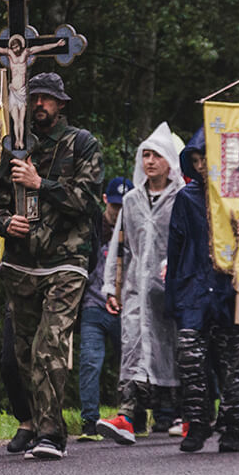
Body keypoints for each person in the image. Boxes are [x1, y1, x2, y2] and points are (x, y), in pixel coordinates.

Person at [0, 72, 103, 460]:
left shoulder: (82, 144)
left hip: (67, 261)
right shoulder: (17, 148)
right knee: (21, 355)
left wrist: (40, 184)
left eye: (47, 99)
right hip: (22, 265)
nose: (39, 104)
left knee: (48, 346)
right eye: (33, 97)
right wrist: (6, 223)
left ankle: (51, 434)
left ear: (61, 104)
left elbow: (88, 202)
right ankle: (39, 425)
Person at [166, 128, 239, 453]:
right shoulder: (185, 198)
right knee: (190, 359)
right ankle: (197, 422)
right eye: (196, 160)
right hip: (193, 287)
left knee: (232, 360)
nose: (202, 165)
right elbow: (174, 249)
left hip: (229, 288)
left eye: (206, 158)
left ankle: (232, 425)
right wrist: (172, 299)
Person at [97, 124, 184, 444]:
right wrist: (111, 287)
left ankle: (178, 412)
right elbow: (119, 247)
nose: (150, 161)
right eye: (145, 155)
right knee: (133, 347)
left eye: (157, 156)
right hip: (135, 287)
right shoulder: (132, 200)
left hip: (169, 290)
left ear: (169, 161)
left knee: (171, 348)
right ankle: (128, 415)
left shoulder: (181, 198)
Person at [77, 177, 131, 441]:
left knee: (129, 365)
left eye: (125, 206)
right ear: (105, 200)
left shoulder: (136, 226)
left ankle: (133, 416)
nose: (120, 211)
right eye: (116, 206)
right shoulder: (93, 226)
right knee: (90, 362)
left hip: (126, 307)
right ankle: (90, 420)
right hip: (94, 305)